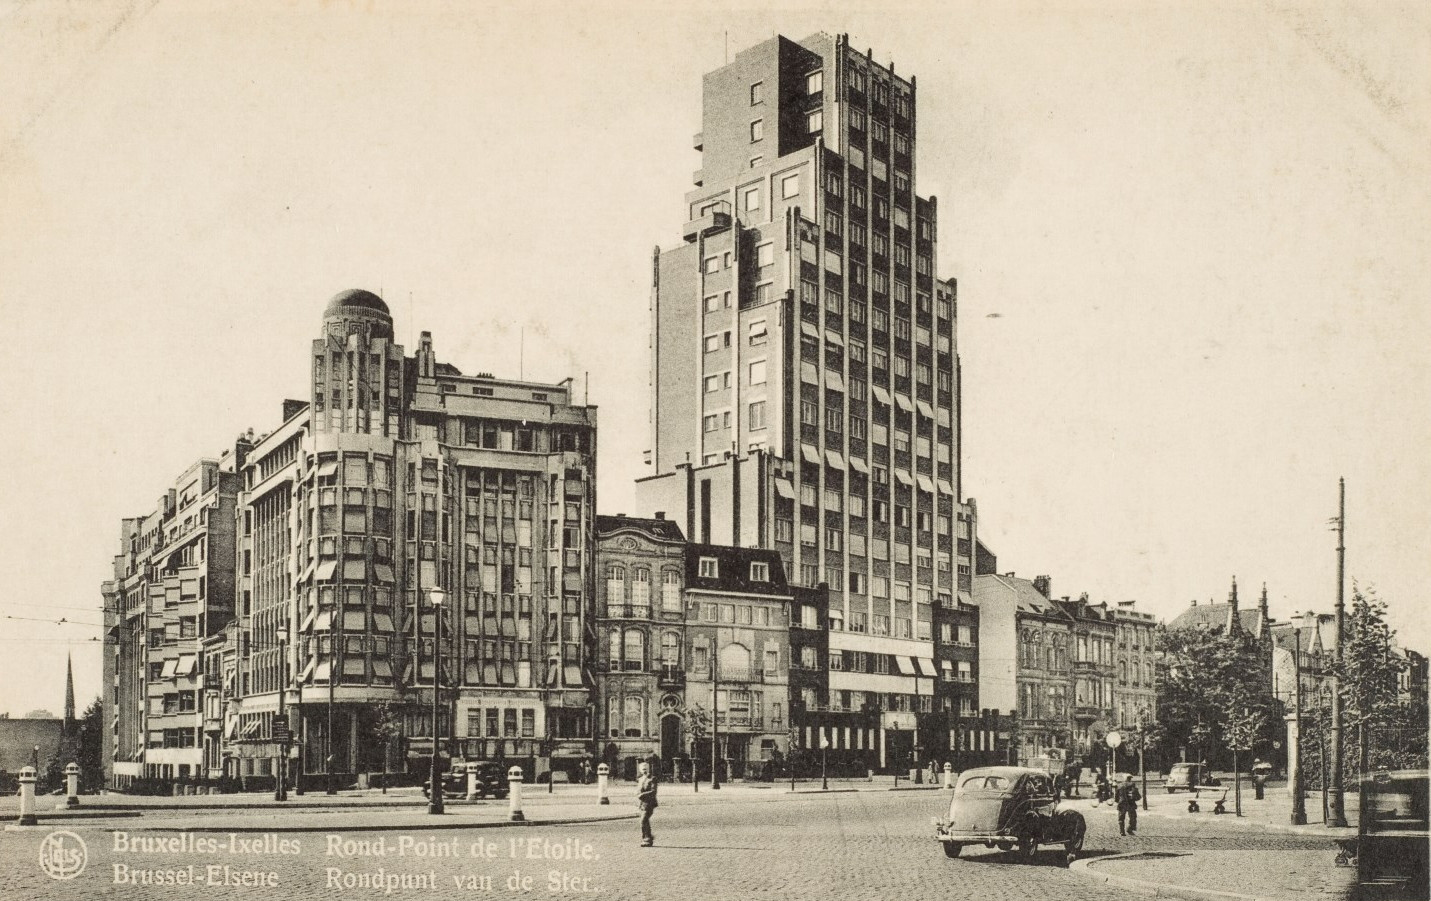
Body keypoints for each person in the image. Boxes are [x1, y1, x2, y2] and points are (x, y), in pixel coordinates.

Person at [635, 761, 658, 847]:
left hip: (650, 803)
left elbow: (653, 791)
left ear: (648, 769)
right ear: (640, 770)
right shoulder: (640, 779)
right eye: (642, 769)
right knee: (645, 821)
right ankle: (648, 837)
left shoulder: (652, 778)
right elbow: (639, 790)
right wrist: (638, 793)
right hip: (642, 804)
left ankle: (647, 838)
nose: (644, 771)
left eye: (645, 769)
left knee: (643, 820)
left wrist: (642, 794)